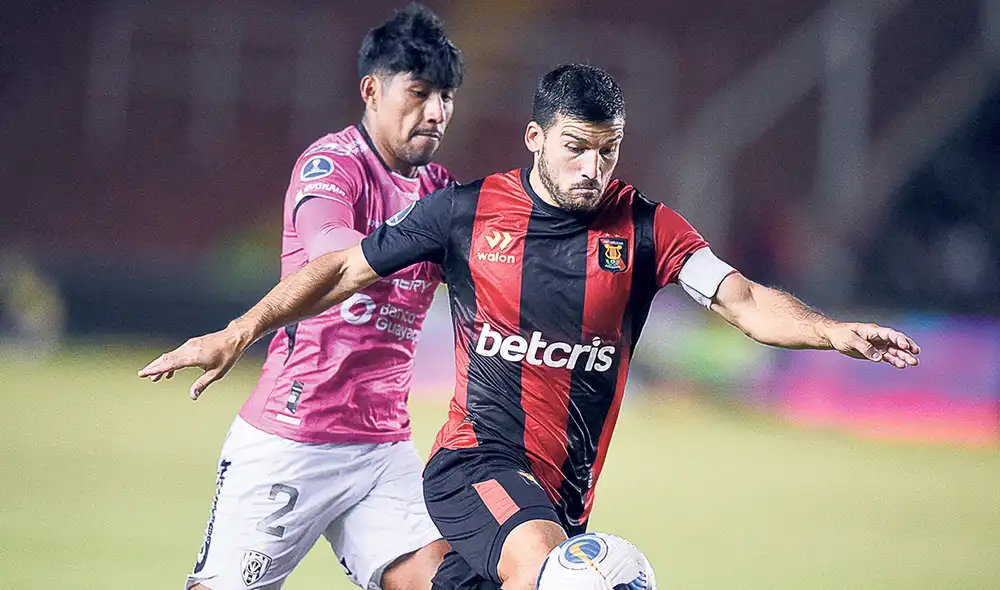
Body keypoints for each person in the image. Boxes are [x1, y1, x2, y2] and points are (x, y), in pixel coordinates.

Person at [140, 64, 921, 590]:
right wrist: (240, 330)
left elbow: (743, 300)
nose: (593, 169)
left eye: (607, 152)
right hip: (473, 464)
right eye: (577, 149)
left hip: (562, 491)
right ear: (536, 138)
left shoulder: (649, 229)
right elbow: (343, 270)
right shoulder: (464, 212)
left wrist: (832, 332)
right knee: (558, 573)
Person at [144, 5, 464, 589]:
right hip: (294, 434)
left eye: (446, 97)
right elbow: (334, 258)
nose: (436, 113)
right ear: (372, 90)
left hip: (382, 448)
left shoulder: (441, 190)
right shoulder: (332, 166)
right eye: (419, 93)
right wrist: (240, 331)